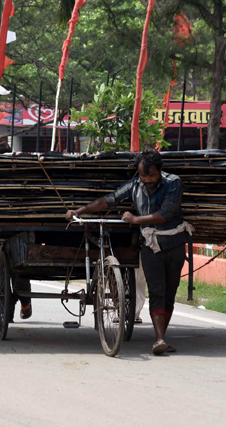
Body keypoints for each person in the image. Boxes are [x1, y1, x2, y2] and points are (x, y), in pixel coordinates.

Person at [65, 148, 191, 355]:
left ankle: (162, 337)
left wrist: (135, 220)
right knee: (157, 291)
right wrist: (79, 211)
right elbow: (109, 200)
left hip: (174, 244)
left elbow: (166, 213)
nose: (147, 179)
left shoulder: (173, 183)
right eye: (143, 175)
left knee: (170, 292)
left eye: (151, 175)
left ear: (160, 171)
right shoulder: (135, 186)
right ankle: (159, 339)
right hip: (151, 248)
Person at [0, 141, 32, 320]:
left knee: (13, 270)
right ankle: (7, 311)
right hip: (9, 231)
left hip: (14, 231)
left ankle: (21, 306)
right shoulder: (19, 173)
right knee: (12, 271)